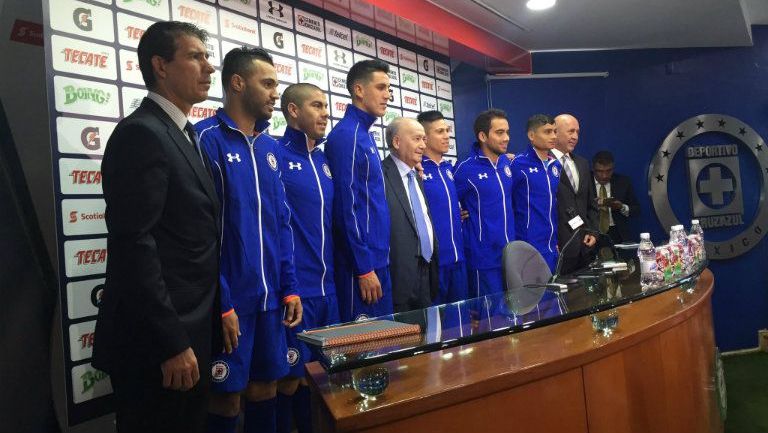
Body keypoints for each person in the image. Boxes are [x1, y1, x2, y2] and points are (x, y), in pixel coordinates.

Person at [92, 21, 219, 433]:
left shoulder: (185, 134)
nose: (209, 67)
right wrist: (172, 343)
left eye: (207, 57)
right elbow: (134, 246)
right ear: (160, 66)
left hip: (191, 330)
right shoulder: (142, 134)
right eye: (195, 57)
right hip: (157, 347)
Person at [195, 47, 302, 433]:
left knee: (266, 388)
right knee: (225, 398)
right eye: (268, 83)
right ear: (238, 83)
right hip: (230, 303)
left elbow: (282, 225)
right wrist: (222, 303)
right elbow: (202, 235)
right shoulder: (206, 140)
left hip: (272, 300)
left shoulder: (271, 148)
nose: (276, 92)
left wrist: (289, 288)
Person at [274, 83, 338, 433]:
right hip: (297, 292)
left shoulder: (325, 160)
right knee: (290, 380)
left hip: (330, 290)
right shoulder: (275, 155)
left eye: (325, 105)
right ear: (294, 111)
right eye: (317, 105)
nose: (325, 112)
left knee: (326, 376)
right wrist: (289, 286)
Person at [325, 60, 392, 322]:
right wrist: (363, 267)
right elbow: (345, 207)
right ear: (359, 90)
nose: (387, 94)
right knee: (365, 354)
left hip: (377, 262)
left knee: (385, 350)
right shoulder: (347, 136)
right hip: (360, 268)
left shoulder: (364, 135)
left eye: (389, 88)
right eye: (381, 87)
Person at [454, 109, 515, 297]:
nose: (506, 138)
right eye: (499, 133)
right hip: (484, 258)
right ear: (482, 136)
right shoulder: (465, 169)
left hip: (510, 255)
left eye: (507, 132)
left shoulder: (506, 163)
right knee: (489, 318)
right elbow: (445, 202)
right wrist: (458, 213)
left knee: (513, 316)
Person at [382, 117, 440, 312]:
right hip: (399, 278)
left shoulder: (417, 175)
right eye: (417, 139)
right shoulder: (380, 174)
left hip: (427, 273)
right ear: (397, 142)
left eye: (424, 139)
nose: (423, 145)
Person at [417, 110, 467, 304]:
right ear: (425, 138)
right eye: (440, 132)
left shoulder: (449, 169)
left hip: (458, 261)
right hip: (434, 265)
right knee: (436, 328)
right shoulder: (417, 169)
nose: (447, 135)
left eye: (447, 130)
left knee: (461, 324)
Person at [510, 114, 562, 273]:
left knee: (552, 295)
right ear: (531, 135)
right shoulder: (518, 164)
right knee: (533, 296)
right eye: (547, 132)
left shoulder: (556, 165)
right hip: (527, 243)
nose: (553, 136)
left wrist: (555, 241)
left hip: (551, 245)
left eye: (554, 131)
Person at [551, 114, 597, 274]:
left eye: (577, 132)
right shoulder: (543, 164)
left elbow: (591, 204)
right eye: (571, 131)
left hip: (584, 248)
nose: (575, 137)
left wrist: (592, 231)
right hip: (558, 248)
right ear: (555, 132)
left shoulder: (582, 163)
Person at [591, 150, 641, 244]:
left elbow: (636, 209)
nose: (604, 176)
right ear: (593, 169)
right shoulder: (585, 181)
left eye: (608, 171)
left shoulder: (623, 182)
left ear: (613, 169)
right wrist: (592, 205)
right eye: (600, 171)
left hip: (617, 233)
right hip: (592, 233)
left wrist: (621, 207)